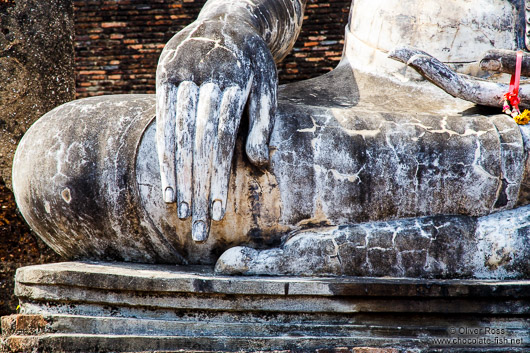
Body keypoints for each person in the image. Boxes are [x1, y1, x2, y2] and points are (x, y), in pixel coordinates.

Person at [12, 0, 530, 277]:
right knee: (63, 160)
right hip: (382, 100)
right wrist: (229, 22)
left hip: (480, 137)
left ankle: (481, 240)